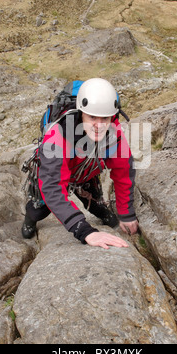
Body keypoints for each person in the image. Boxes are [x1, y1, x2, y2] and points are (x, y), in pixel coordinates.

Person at [21, 78, 139, 249]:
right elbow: (52, 188)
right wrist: (85, 231)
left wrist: (126, 213)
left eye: (105, 118)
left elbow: (124, 171)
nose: (99, 125)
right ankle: (29, 220)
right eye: (92, 117)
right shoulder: (57, 135)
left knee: (97, 206)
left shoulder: (113, 132)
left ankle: (102, 213)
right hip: (59, 169)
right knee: (39, 209)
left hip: (86, 170)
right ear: (80, 112)